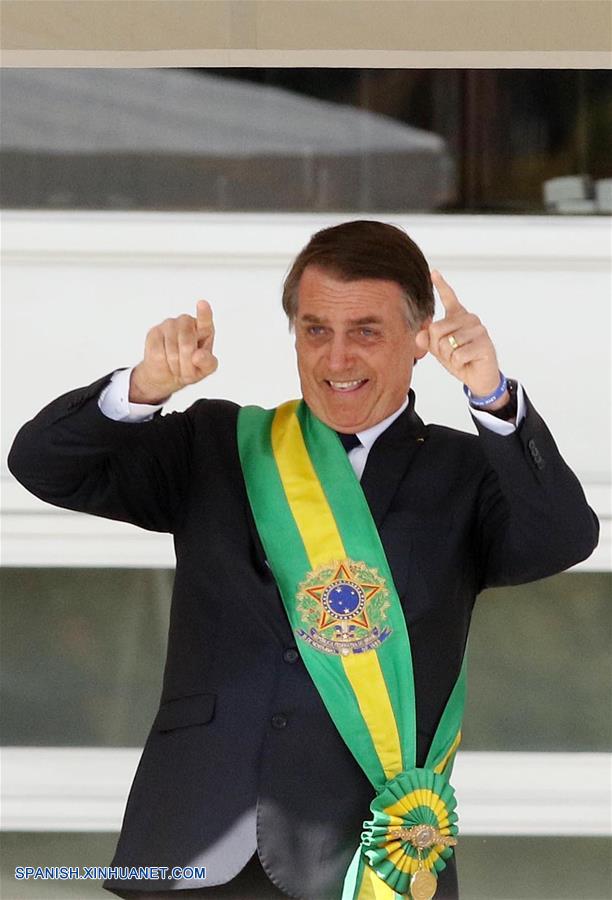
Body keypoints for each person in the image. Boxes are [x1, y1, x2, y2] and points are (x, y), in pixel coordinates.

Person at [8, 220, 598, 900]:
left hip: (362, 855)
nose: (337, 358)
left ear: (420, 337)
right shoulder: (220, 444)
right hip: (191, 840)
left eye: (366, 331)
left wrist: (491, 396)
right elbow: (43, 466)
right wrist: (143, 385)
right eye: (316, 330)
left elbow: (562, 537)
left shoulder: (465, 472)